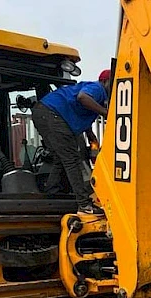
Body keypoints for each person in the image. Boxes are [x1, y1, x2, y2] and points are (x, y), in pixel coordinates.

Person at [32, 70, 112, 214]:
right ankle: (84, 204)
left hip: (43, 113)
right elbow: (82, 97)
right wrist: (106, 113)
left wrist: (90, 134)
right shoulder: (98, 88)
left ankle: (51, 194)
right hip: (52, 114)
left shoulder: (97, 96)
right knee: (72, 159)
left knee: (60, 157)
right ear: (105, 81)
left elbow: (80, 111)